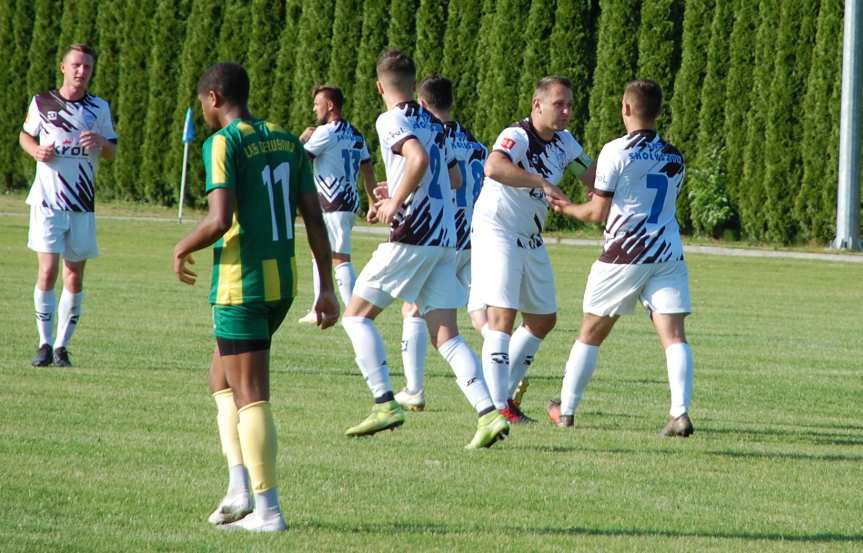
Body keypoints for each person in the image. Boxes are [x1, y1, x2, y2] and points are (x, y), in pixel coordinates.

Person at [172, 63, 339, 532]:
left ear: (213, 97)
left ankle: (267, 510)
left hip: (240, 283)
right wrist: (326, 286)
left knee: (250, 395)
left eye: (202, 102)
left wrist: (182, 245)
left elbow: (219, 219)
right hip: (279, 283)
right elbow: (314, 218)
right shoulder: (287, 140)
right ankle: (238, 489)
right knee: (220, 380)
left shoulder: (223, 143)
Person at [341, 50, 509, 449]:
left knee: (356, 317)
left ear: (379, 86)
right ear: (414, 86)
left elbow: (415, 159)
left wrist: (395, 201)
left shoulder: (390, 119)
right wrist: (397, 186)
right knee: (446, 335)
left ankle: (385, 402)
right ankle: (488, 415)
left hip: (414, 233)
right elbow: (450, 177)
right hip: (447, 236)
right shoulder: (434, 123)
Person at [545, 79, 695, 437]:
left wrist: (566, 208)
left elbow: (597, 212)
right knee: (674, 336)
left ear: (625, 109)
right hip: (668, 252)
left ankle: (565, 410)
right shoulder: (675, 155)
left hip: (624, 254)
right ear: (658, 113)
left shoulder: (616, 151)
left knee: (590, 334)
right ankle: (680, 412)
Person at [471, 76, 595, 423]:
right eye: (560, 104)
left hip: (529, 236)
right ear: (537, 104)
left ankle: (503, 395)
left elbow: (593, 178)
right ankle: (497, 408)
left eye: (570, 104)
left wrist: (605, 192)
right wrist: (541, 181)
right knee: (502, 318)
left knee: (543, 319)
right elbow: (493, 166)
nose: (567, 111)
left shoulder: (565, 144)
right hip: (497, 230)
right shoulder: (518, 135)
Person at [394, 75, 488, 413]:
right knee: (478, 313)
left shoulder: (430, 136)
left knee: (414, 309)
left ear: (421, 103)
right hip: (475, 237)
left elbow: (437, 181)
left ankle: (414, 390)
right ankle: (500, 366)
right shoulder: (476, 144)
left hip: (441, 233)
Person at [20, 43, 117, 368]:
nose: (81, 71)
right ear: (63, 67)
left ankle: (62, 347)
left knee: (74, 275)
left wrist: (102, 143)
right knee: (47, 271)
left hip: (81, 203)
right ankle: (44, 343)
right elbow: (25, 136)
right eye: (76, 65)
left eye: (87, 67)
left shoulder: (99, 107)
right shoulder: (42, 102)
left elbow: (112, 152)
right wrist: (35, 151)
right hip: (47, 202)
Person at [296, 85, 377, 320]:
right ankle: (317, 307)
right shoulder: (355, 133)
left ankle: (353, 311)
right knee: (318, 251)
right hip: (348, 203)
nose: (314, 108)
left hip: (332, 202)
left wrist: (301, 138)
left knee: (339, 257)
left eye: (317, 104)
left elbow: (299, 160)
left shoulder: (325, 132)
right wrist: (372, 202)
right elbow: (368, 171)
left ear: (330, 105)